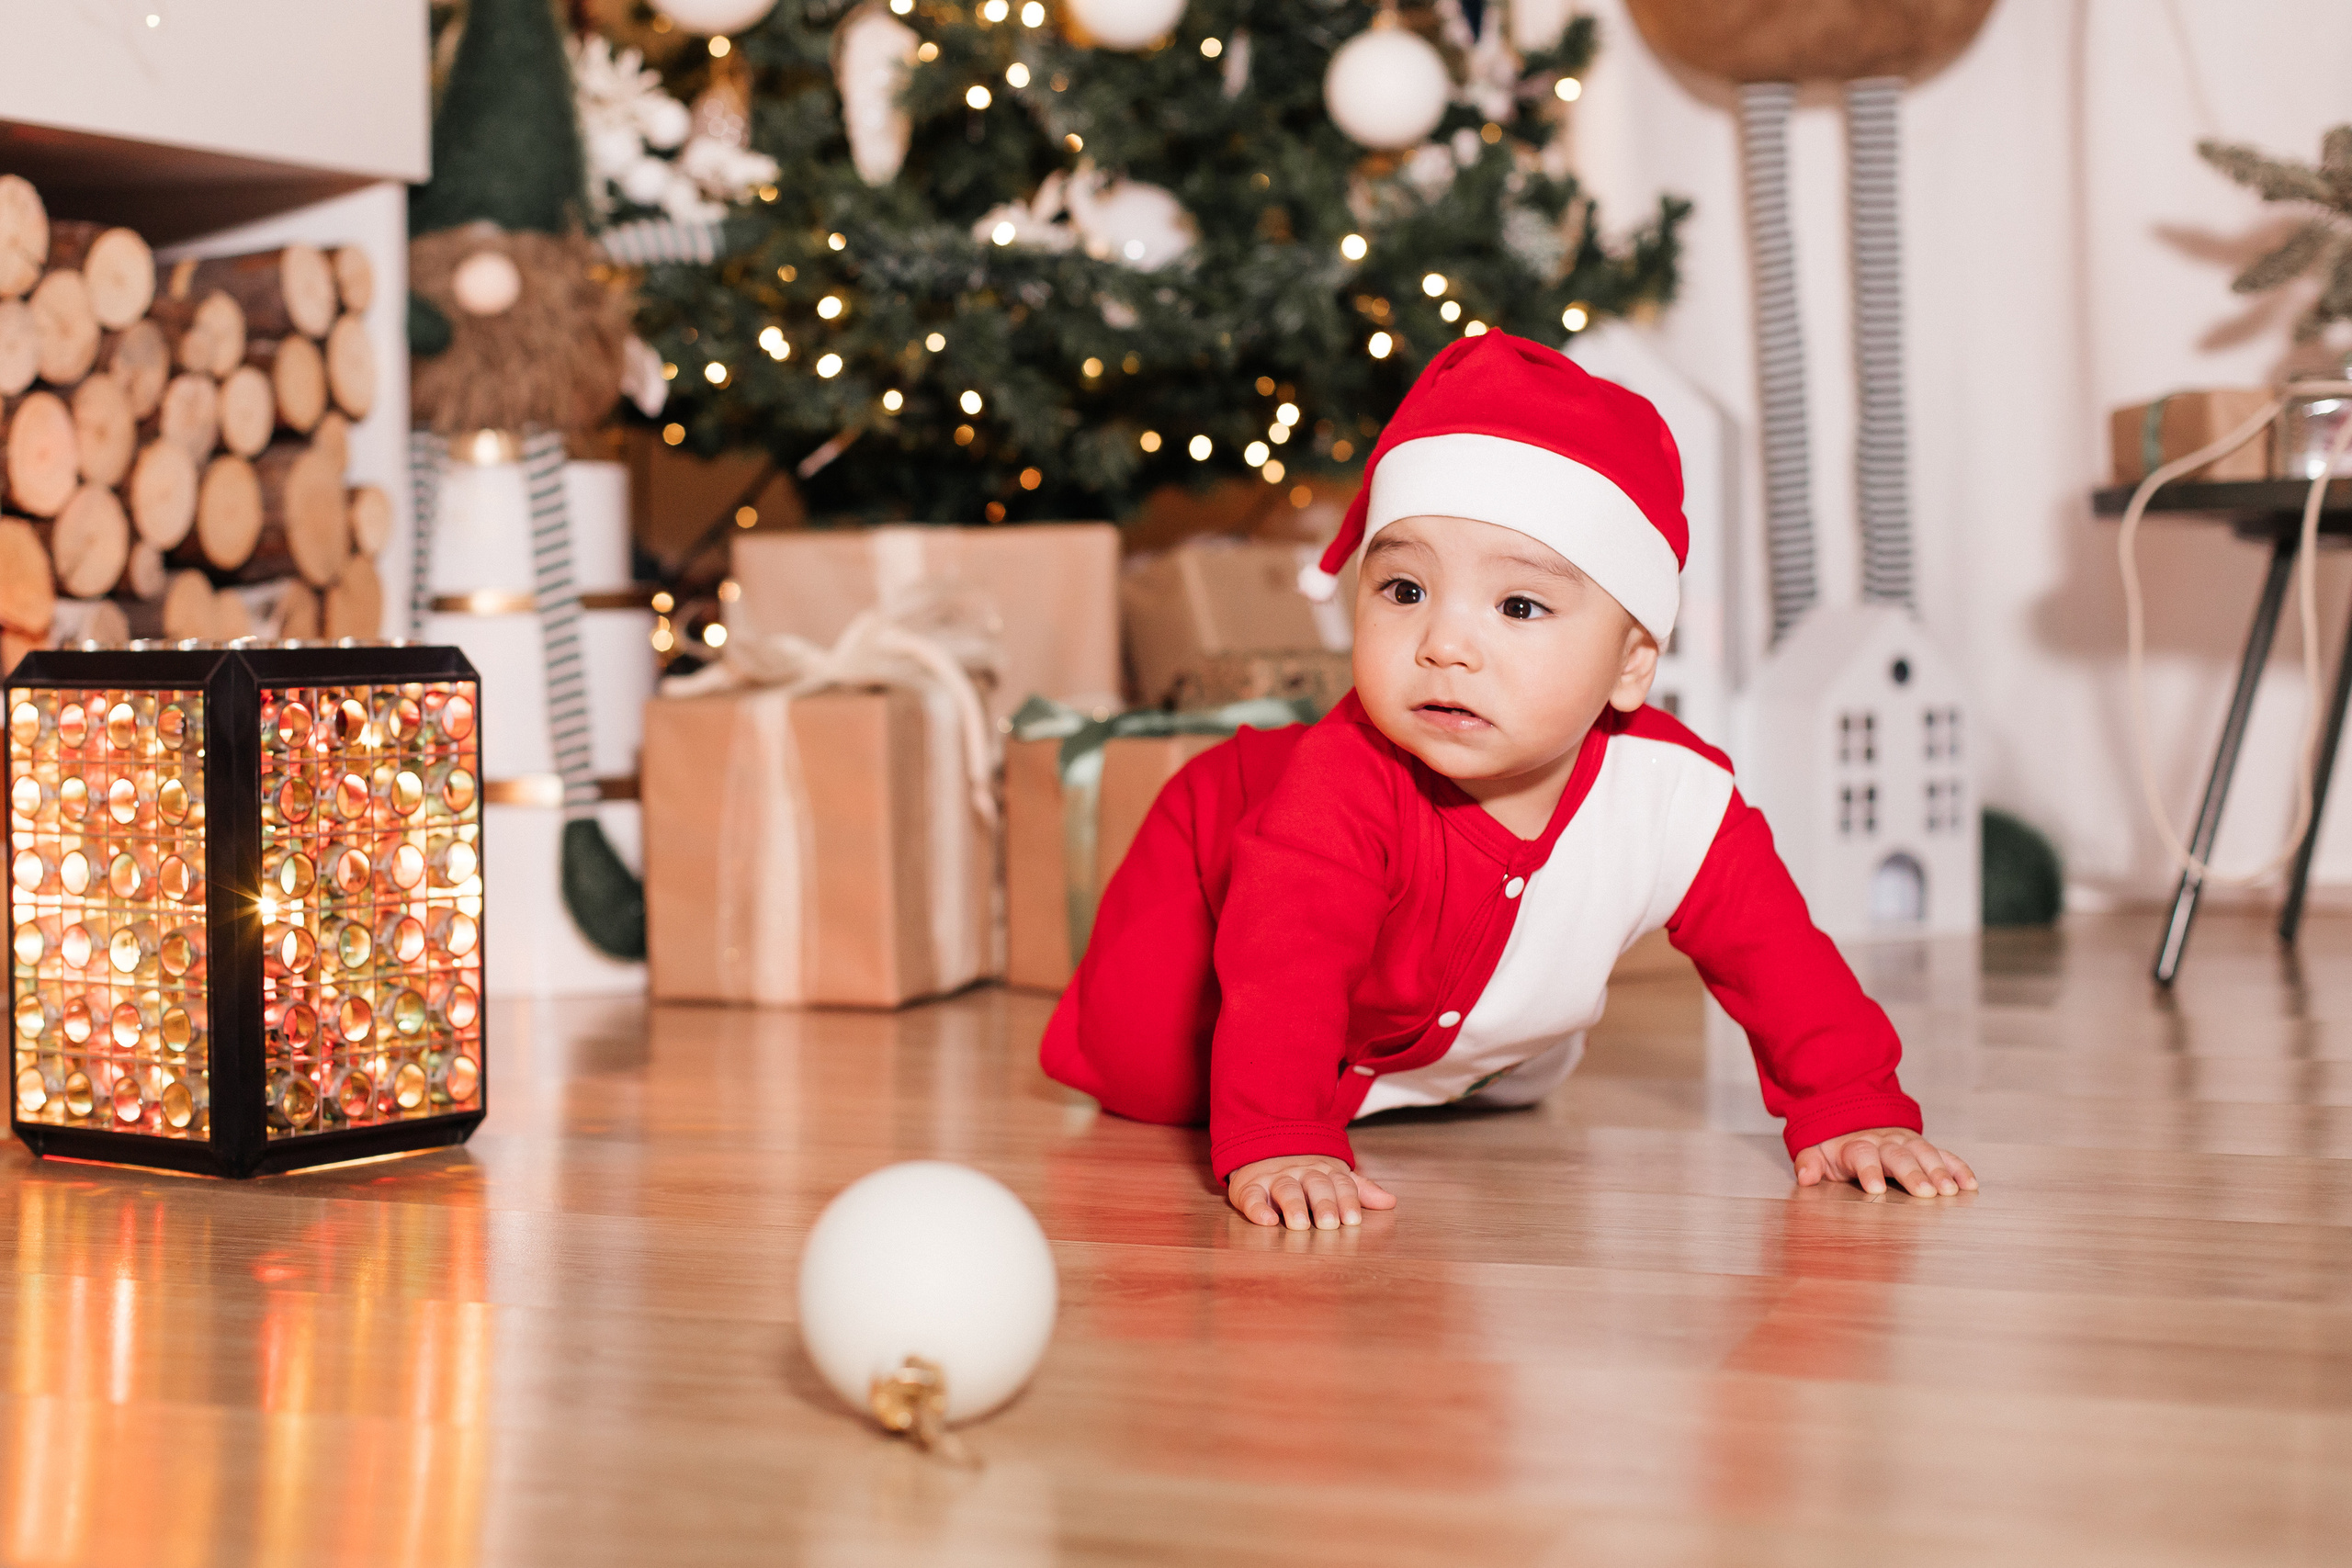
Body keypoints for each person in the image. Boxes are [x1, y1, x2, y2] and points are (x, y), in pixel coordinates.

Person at [1040, 332, 1976, 1230]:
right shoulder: (1340, 785)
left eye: (1518, 605)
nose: (1443, 644)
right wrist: (1280, 1135)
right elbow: (1284, 966)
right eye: (1402, 591)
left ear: (1629, 667)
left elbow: (1781, 960)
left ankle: (1424, 1060)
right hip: (1211, 853)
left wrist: (1853, 1104)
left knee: (1482, 1030)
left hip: (1424, 1004)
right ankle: (1349, 1072)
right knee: (1159, 1082)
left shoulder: (1671, 799)